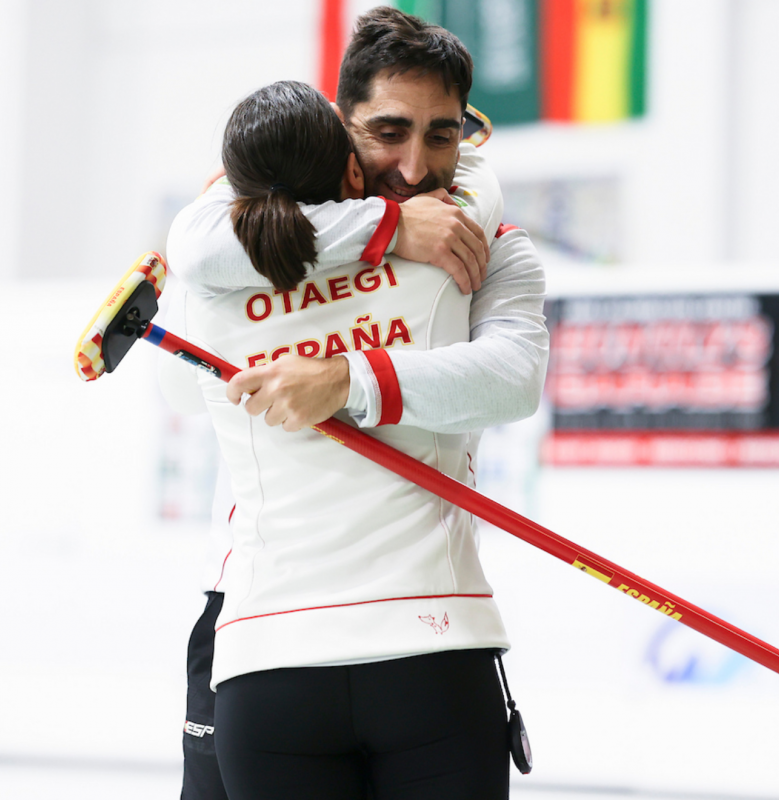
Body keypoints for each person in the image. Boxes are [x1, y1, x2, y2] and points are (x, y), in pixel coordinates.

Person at [165, 11, 548, 799]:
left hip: (408, 634)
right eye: (388, 133)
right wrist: (385, 226)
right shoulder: (240, 238)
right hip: (247, 607)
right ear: (342, 129)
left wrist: (346, 378)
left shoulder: (475, 237)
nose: (413, 167)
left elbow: (511, 375)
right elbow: (195, 246)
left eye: (442, 137)